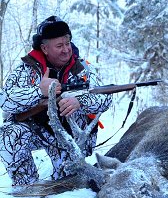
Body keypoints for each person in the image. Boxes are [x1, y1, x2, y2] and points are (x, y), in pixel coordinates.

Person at [0, 16, 113, 186]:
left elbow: (105, 98)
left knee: (67, 184)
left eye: (67, 43)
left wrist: (80, 101)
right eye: (59, 46)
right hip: (36, 131)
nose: (66, 50)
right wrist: (38, 91)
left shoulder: (82, 68)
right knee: (8, 134)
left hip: (71, 136)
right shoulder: (26, 70)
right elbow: (5, 100)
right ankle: (27, 188)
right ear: (44, 48)